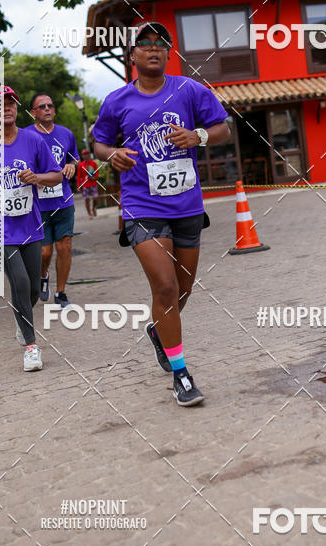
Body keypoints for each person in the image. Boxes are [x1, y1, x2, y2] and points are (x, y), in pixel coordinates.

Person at [92, 21, 230, 406]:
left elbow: (223, 129)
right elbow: (100, 144)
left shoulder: (188, 90)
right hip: (142, 207)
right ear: (132, 55)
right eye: (145, 43)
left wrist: (198, 136)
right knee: (165, 287)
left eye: (161, 44)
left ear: (169, 53)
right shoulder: (116, 101)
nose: (153, 49)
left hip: (186, 205)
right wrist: (112, 155)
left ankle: (159, 331)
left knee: (183, 291)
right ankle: (181, 374)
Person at [0, 86, 62, 371]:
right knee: (18, 281)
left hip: (29, 225)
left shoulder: (33, 140)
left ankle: (22, 320)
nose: (6, 108)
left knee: (31, 288)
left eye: (11, 103)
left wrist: (38, 177)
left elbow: (56, 176)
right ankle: (32, 346)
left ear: (16, 108)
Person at [25, 94, 79, 308]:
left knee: (65, 246)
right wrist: (32, 177)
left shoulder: (66, 134)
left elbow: (73, 157)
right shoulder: (25, 135)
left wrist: (72, 165)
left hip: (63, 200)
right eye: (41, 106)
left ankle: (61, 293)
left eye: (50, 105)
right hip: (38, 204)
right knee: (45, 251)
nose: (47, 109)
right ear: (33, 112)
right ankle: (43, 275)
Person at [77, 149, 100, 218]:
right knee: (87, 200)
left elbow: (97, 172)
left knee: (96, 198)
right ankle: (89, 213)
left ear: (89, 155)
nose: (85, 155)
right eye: (84, 154)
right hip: (85, 185)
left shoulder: (93, 163)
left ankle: (93, 208)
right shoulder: (81, 165)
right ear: (82, 156)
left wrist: (95, 177)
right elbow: (79, 176)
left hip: (93, 184)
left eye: (87, 154)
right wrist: (78, 186)